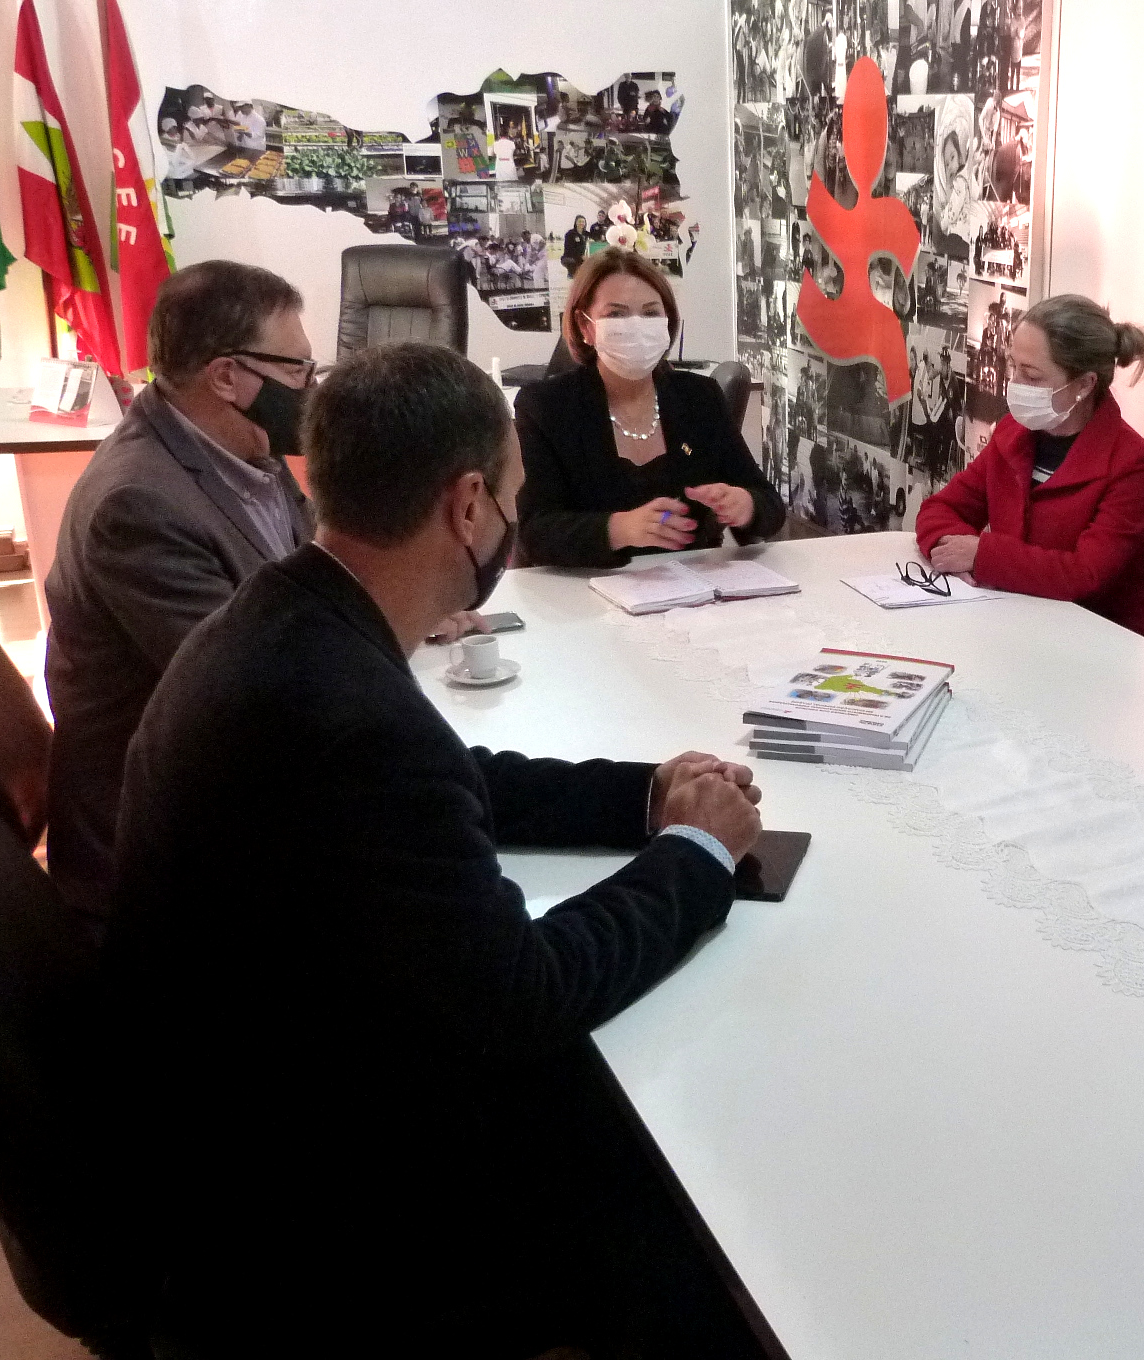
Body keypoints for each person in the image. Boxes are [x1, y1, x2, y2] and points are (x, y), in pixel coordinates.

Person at [106, 341, 770, 1356]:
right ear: (467, 505)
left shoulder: (296, 619)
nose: (509, 517)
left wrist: (640, 796)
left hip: (244, 1098)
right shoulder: (341, 710)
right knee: (695, 1173)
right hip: (316, 1204)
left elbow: (455, 774)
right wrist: (691, 854)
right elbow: (521, 995)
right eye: (509, 495)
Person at [43, 260, 315, 925]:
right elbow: (252, 692)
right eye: (298, 370)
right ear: (228, 376)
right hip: (168, 858)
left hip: (245, 784)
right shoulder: (137, 505)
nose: (311, 389)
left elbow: (306, 576)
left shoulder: (244, 446)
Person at [915, 293, 1144, 642]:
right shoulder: (1012, 434)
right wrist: (951, 550)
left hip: (1102, 647)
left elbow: (1085, 574)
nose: (1015, 383)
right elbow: (940, 508)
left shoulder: (1135, 465)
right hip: (1015, 627)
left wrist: (980, 555)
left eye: (1031, 375)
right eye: (1013, 366)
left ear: (1084, 384)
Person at [516, 249, 785, 565]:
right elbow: (534, 533)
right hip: (587, 591)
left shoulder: (699, 397)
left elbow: (770, 504)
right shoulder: (547, 406)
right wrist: (618, 529)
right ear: (585, 326)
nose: (636, 326)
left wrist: (746, 505)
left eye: (650, 313)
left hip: (696, 589)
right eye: (616, 314)